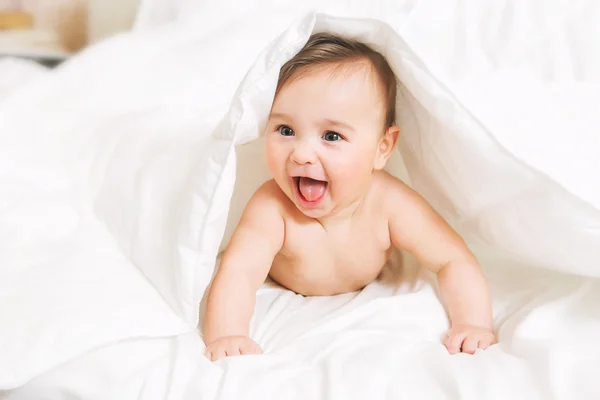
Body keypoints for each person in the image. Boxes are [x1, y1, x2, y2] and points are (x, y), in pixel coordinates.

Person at [203, 33, 496, 361]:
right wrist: (228, 334)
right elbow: (239, 272)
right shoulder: (272, 207)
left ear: (382, 149)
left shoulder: (389, 203)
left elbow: (452, 258)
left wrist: (472, 323)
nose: (301, 154)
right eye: (285, 130)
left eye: (331, 136)